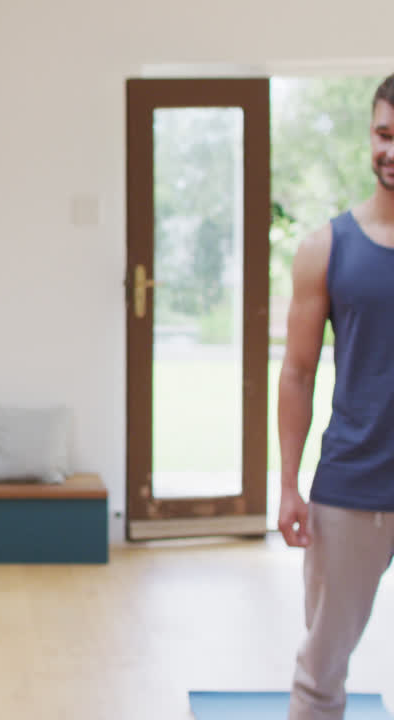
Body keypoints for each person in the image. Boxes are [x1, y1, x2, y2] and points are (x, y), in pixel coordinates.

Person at [279, 72, 394, 720]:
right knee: (322, 675)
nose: (391, 151)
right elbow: (296, 374)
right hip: (351, 487)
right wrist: (290, 485)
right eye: (384, 134)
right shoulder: (326, 247)